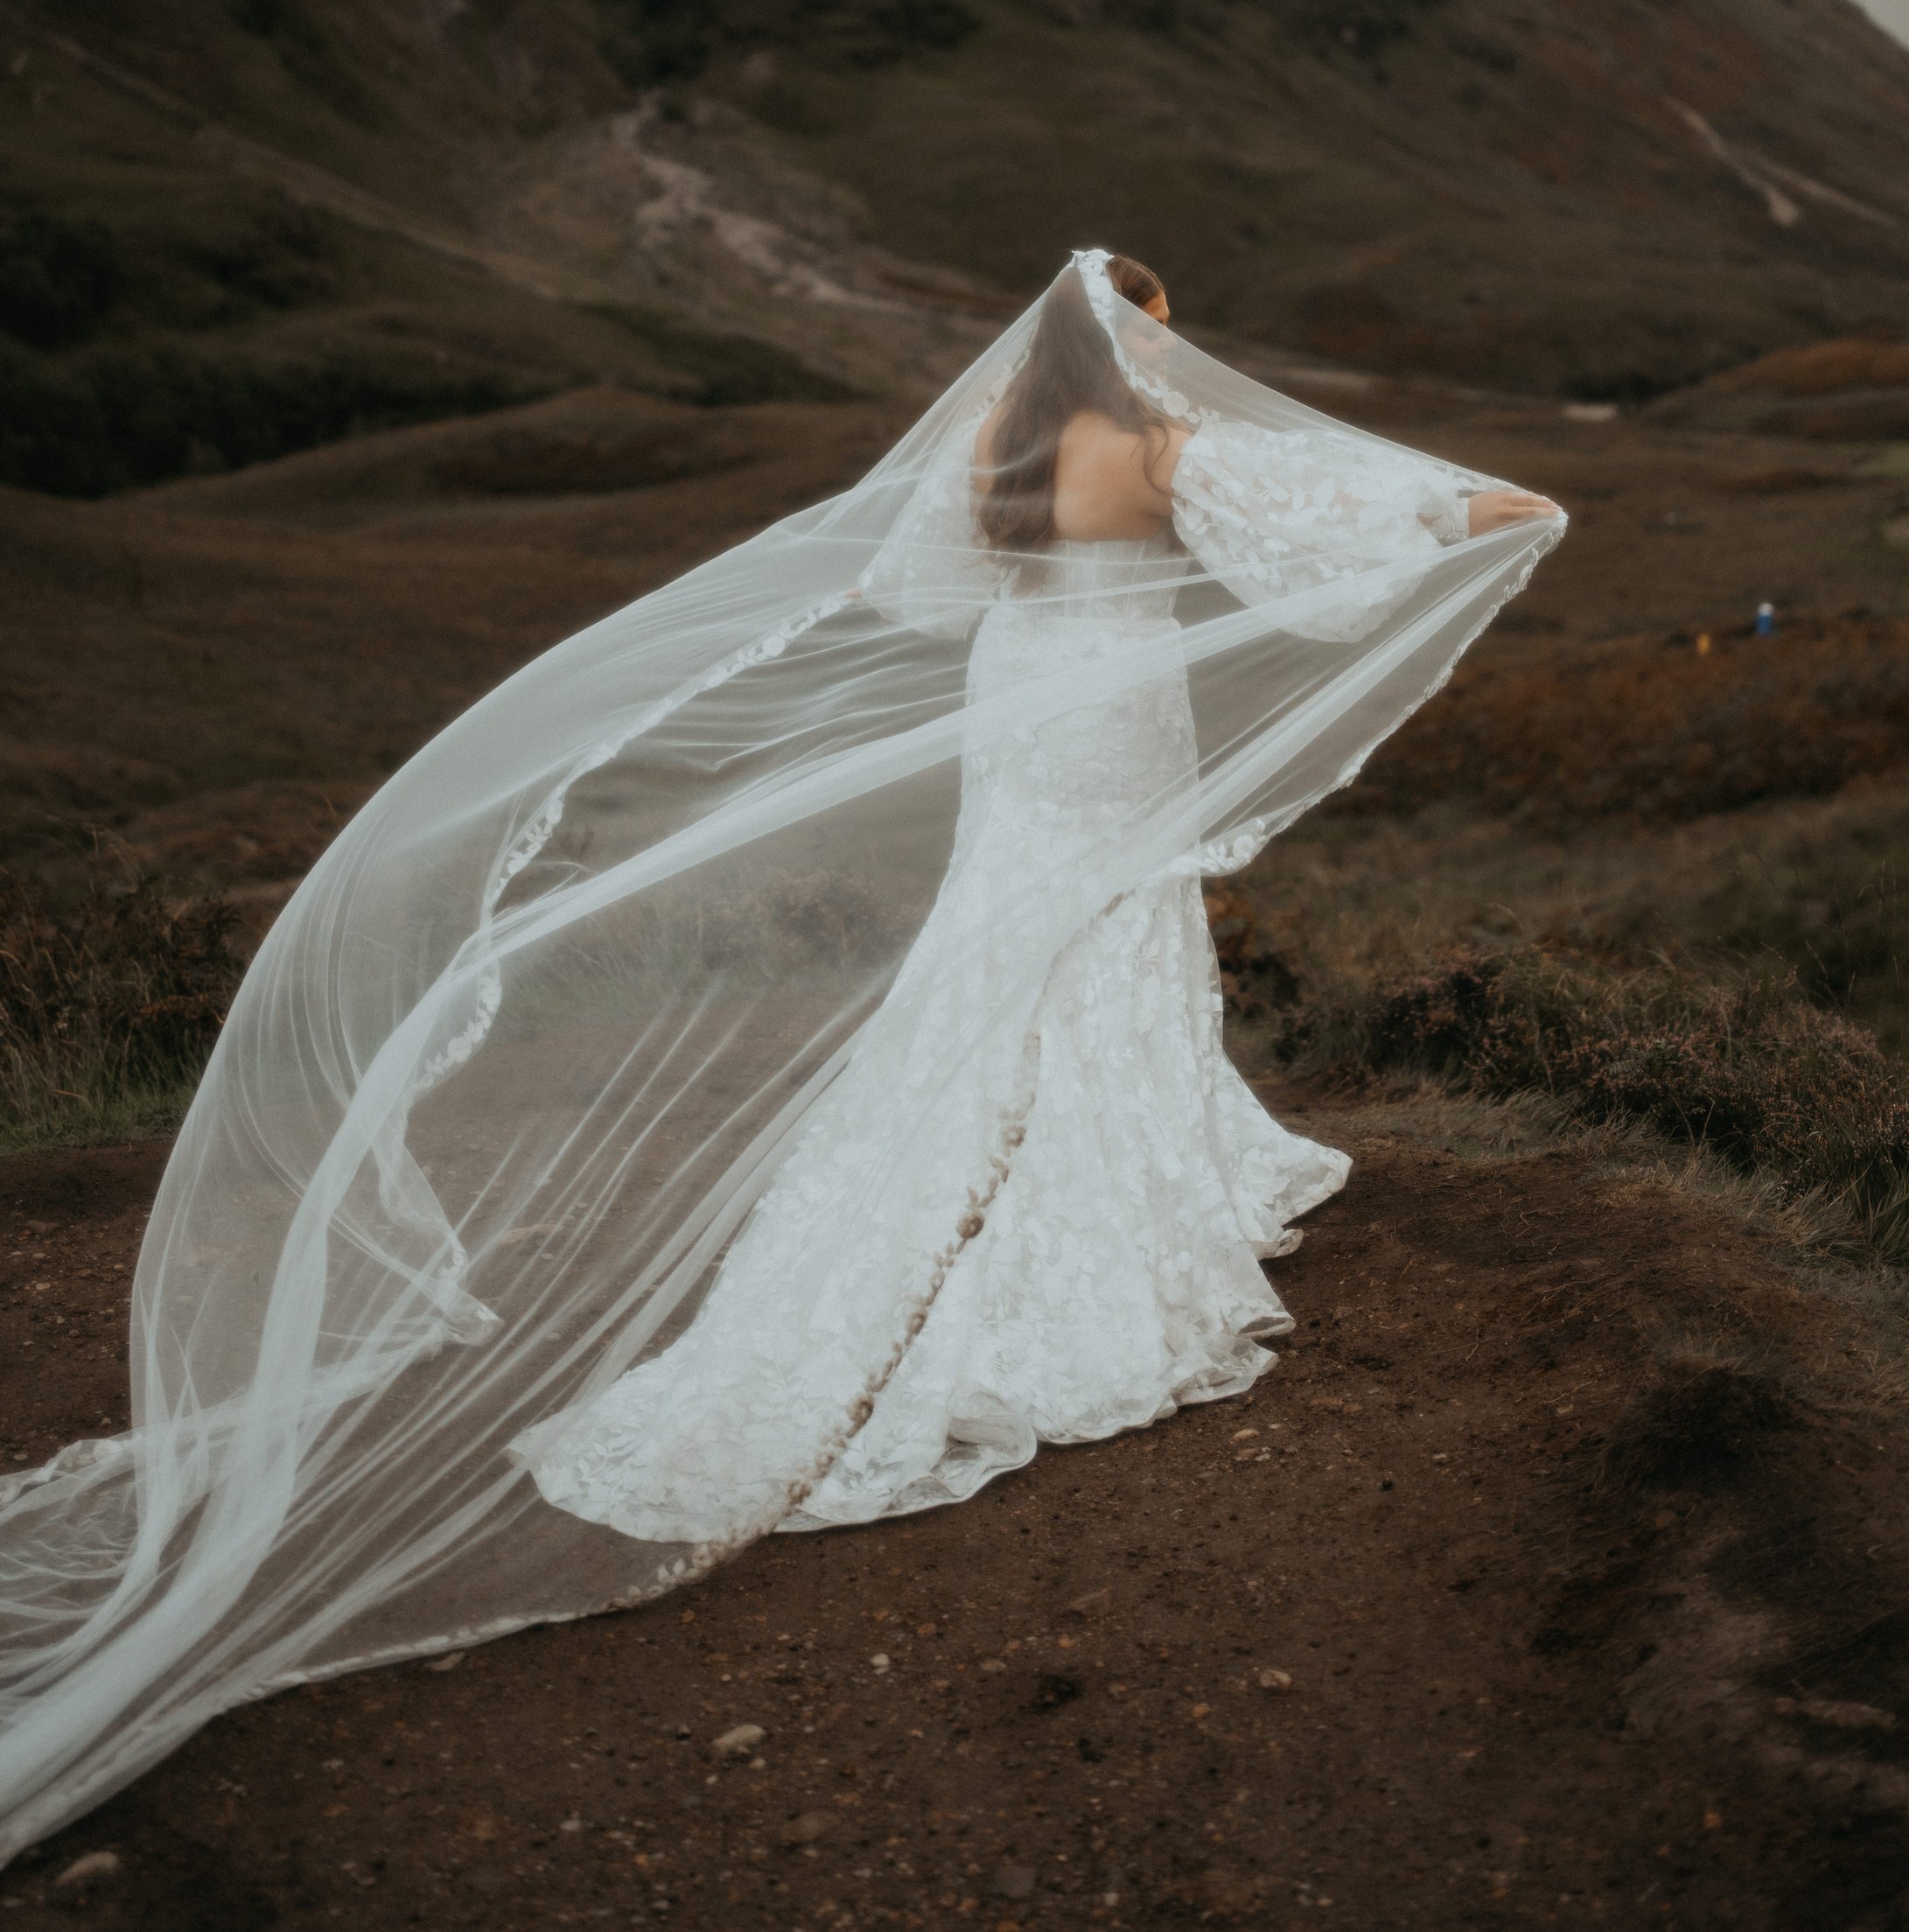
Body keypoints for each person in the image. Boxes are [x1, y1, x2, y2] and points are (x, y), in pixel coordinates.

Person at [0, 251, 1561, 1859]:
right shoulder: (1162, 453)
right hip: (1110, 726)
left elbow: (928, 594)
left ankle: (1037, 1163)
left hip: (1021, 716)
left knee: (999, 947)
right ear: (1130, 337)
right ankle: (1095, 1205)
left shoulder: (994, 451)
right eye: (1165, 334)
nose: (1183, 359)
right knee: (1109, 932)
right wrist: (1505, 510)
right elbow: (1336, 518)